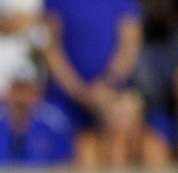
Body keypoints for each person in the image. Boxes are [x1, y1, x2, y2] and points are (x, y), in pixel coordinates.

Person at [42, 0, 142, 131]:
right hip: (64, 100)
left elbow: (129, 46)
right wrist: (79, 93)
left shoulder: (124, 2)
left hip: (111, 96)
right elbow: (50, 47)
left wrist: (106, 85)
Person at [0, 62, 74, 166]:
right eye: (16, 89)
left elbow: (64, 166)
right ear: (5, 91)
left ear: (38, 93)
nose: (20, 98)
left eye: (26, 90)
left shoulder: (56, 124)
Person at [74, 88, 172, 170]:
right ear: (105, 119)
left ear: (139, 119)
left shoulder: (152, 144)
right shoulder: (90, 144)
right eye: (118, 116)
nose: (122, 123)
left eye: (128, 116)